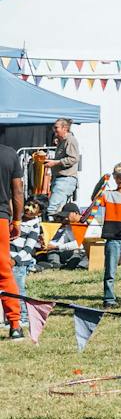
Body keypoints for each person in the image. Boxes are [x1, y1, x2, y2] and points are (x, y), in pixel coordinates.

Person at [98, 162, 121, 309]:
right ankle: (109, 299)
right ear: (114, 176)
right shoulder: (108, 195)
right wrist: (102, 182)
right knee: (110, 271)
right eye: (118, 176)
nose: (120, 180)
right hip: (112, 238)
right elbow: (95, 198)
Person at [0, 136, 23, 338]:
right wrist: (17, 221)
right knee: (5, 272)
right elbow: (17, 191)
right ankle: (15, 325)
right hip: (1, 219)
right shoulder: (9, 154)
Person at [47, 117, 80, 214]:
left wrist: (55, 163)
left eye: (56, 127)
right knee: (59, 211)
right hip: (61, 180)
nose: (54, 130)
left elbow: (74, 158)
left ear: (64, 128)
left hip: (65, 180)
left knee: (51, 209)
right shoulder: (62, 141)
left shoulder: (70, 140)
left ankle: (49, 229)